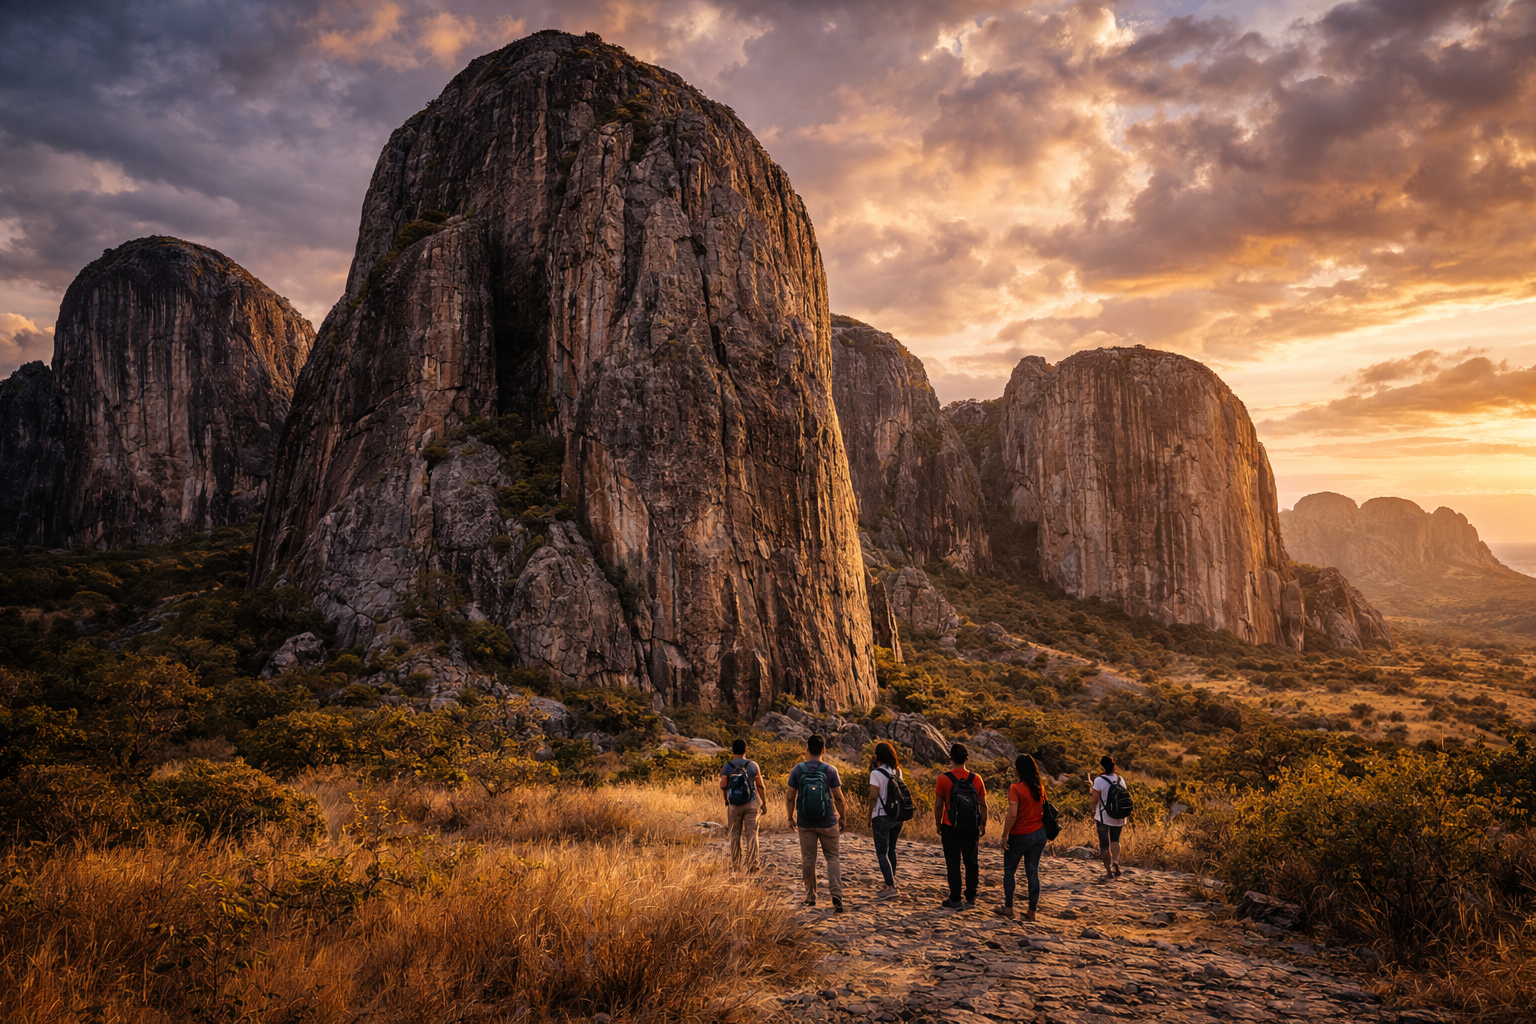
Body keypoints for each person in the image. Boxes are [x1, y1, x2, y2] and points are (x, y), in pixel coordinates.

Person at [786, 733, 848, 912]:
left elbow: (790, 797)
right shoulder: (830, 770)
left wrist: (790, 817)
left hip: (805, 822)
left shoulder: (798, 770)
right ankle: (836, 894)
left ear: (807, 750)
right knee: (833, 858)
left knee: (808, 858)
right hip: (828, 821)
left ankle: (811, 896)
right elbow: (839, 798)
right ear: (824, 750)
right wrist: (842, 817)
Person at [933, 742, 987, 909]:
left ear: (951, 758)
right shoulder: (976, 779)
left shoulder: (943, 778)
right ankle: (971, 896)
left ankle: (955, 898)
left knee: (953, 862)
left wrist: (938, 824)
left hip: (951, 826)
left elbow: (938, 804)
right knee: (971, 861)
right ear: (966, 758)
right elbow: (982, 804)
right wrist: (983, 824)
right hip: (971, 827)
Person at [995, 754, 1048, 921]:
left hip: (1020, 834)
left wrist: (1004, 835)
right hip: (1039, 833)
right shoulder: (1039, 787)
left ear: (1018, 769)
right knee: (1033, 871)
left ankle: (1009, 908)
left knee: (1010, 870)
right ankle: (1031, 912)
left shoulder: (1015, 789)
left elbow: (1012, 814)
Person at [720, 738, 768, 871]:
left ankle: (736, 865)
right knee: (752, 834)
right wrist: (763, 803)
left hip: (734, 805)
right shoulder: (753, 765)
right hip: (752, 803)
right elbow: (760, 785)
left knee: (735, 834)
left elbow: (723, 786)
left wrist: (727, 801)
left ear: (733, 750)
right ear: (745, 750)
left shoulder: (728, 766)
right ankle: (753, 864)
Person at [868, 741, 905, 899]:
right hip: (897, 816)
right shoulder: (898, 772)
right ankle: (890, 881)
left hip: (881, 816)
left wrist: (868, 815)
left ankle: (890, 886)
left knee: (881, 852)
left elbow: (873, 798)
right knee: (892, 850)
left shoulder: (875, 774)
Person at [1091, 754, 1127, 879]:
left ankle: (1108, 872)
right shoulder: (1120, 779)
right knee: (1115, 840)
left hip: (1103, 816)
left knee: (1104, 845)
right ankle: (1115, 862)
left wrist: (1091, 806)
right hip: (1119, 815)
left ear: (1102, 765)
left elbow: (1095, 800)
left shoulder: (1099, 780)